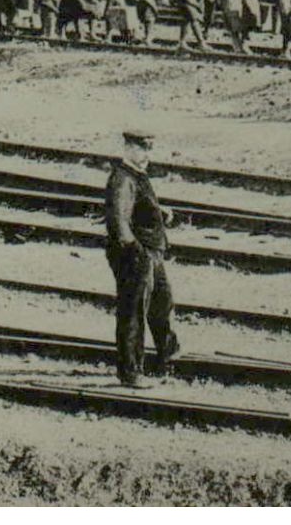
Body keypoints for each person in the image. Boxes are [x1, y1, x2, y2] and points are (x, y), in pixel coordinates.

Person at [104, 129, 179, 389]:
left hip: (150, 254)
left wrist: (159, 212)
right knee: (133, 312)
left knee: (161, 301)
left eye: (150, 148)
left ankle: (168, 356)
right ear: (128, 148)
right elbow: (118, 221)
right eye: (142, 148)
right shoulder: (122, 179)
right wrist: (134, 252)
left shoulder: (135, 175)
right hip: (137, 256)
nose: (147, 153)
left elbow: (136, 207)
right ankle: (130, 372)